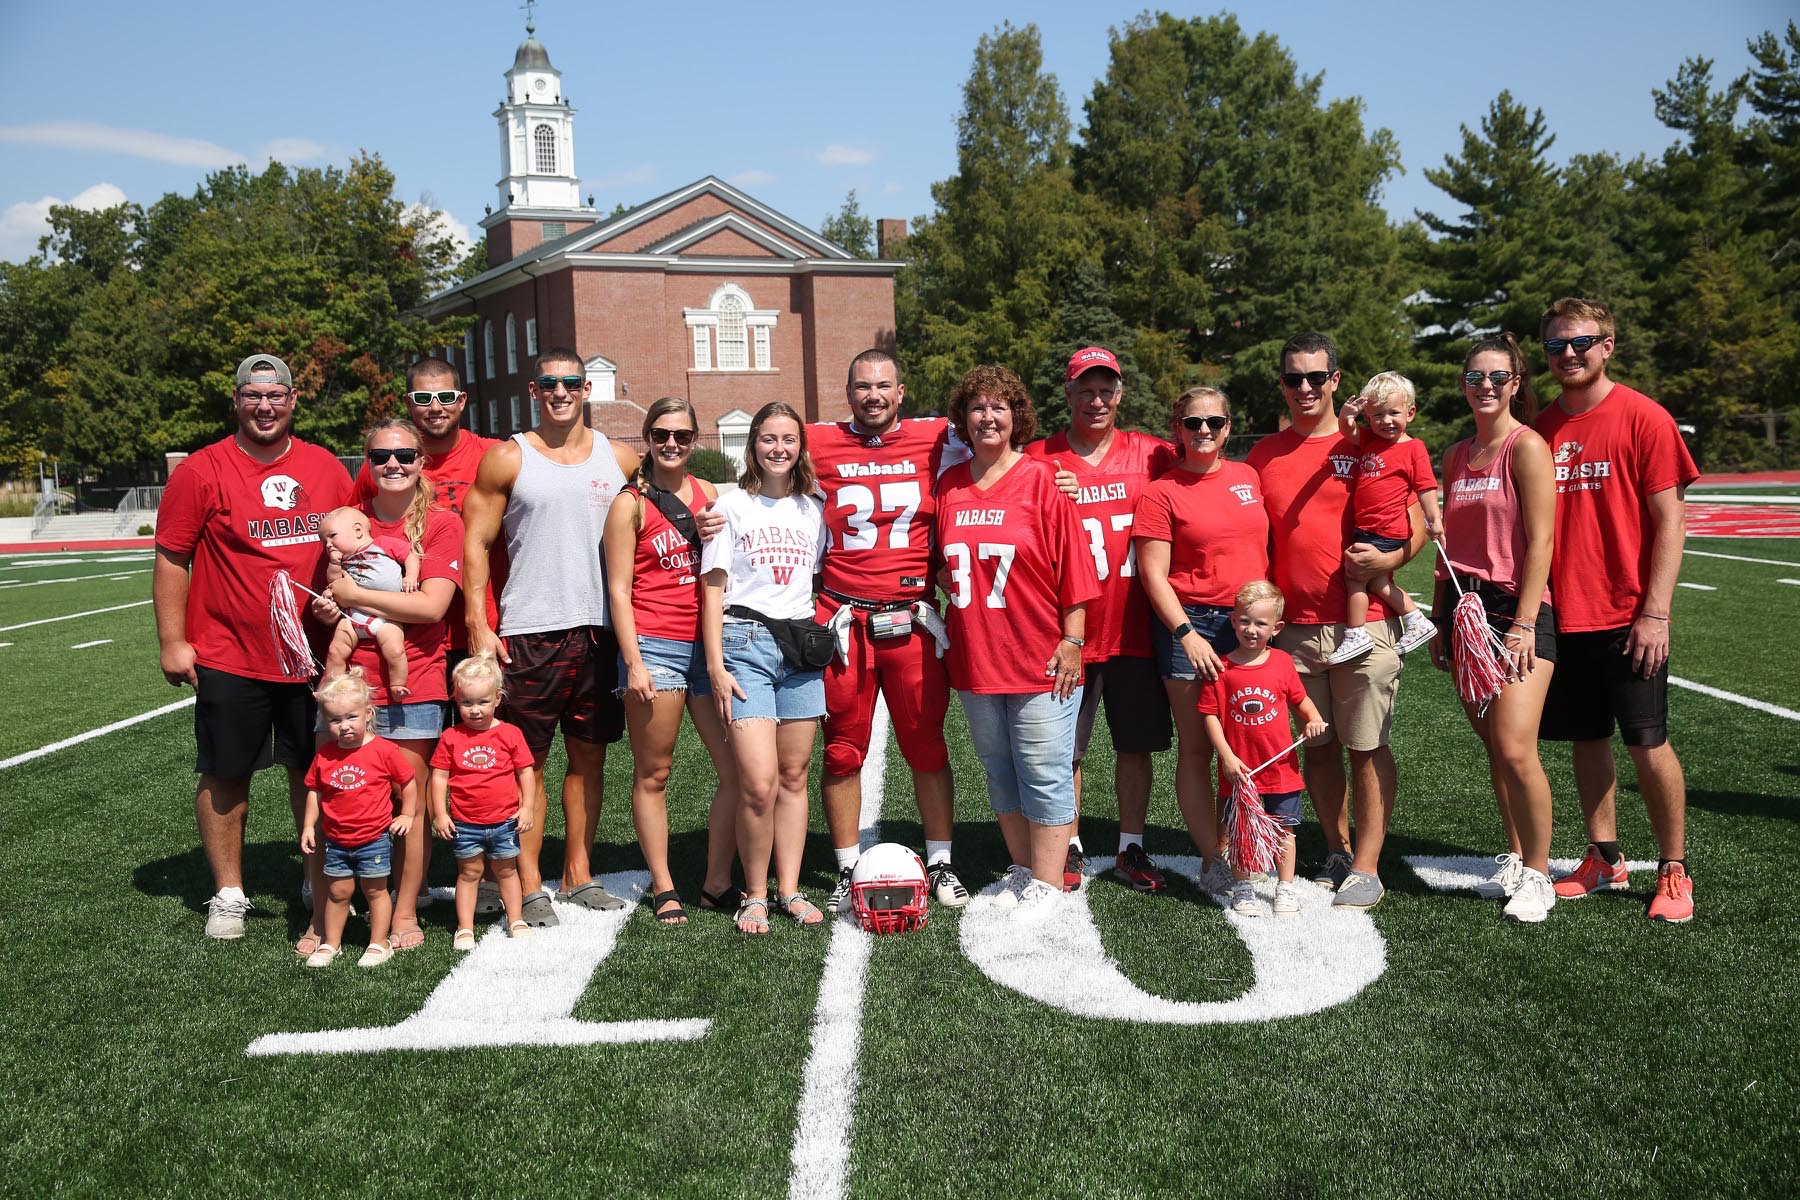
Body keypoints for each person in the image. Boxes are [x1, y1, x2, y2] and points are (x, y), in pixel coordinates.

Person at [153, 352, 353, 940]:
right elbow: (171, 557)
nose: (264, 406)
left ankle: (313, 875)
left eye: (276, 396)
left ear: (293, 401)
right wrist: (172, 640)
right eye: (252, 396)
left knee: (312, 768)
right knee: (226, 771)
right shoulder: (202, 470)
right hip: (229, 650)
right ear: (237, 401)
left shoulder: (324, 468)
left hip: (313, 651)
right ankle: (230, 893)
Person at [1534, 297, 1699, 923]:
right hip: (1560, 613)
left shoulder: (1644, 417)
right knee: (1586, 738)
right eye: (1555, 345)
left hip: (1629, 615)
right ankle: (1604, 856)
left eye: (1580, 342)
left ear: (1607, 344)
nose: (1568, 354)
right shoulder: (1540, 428)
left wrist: (1655, 612)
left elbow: (1671, 522)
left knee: (1648, 743)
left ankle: (1674, 869)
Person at [1247, 333, 1425, 910]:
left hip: (1364, 622)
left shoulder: (1372, 442)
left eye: (1315, 378)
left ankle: (1368, 865)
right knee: (1319, 747)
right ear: (1281, 384)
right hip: (1292, 630)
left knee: (1366, 746)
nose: (1305, 388)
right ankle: (1338, 849)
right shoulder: (1262, 455)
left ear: (1336, 380)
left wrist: (1395, 559)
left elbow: (1414, 518)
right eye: (1293, 378)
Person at [461, 347, 638, 926]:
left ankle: (578, 874)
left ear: (587, 389)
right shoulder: (509, 458)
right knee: (526, 765)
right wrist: (478, 624)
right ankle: (529, 881)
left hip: (601, 633)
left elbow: (679, 497)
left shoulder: (622, 458)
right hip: (531, 630)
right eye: (549, 384)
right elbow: (475, 544)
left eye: (571, 383)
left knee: (589, 760)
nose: (560, 393)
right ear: (534, 391)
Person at [934, 365, 1099, 926]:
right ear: (963, 419)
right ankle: (1027, 869)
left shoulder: (1042, 481)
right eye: (977, 407)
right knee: (999, 769)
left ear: (1016, 417)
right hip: (977, 655)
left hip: (1039, 655)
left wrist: (1073, 639)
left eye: (999, 407)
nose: (988, 416)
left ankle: (1050, 884)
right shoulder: (949, 486)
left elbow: (1075, 567)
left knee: (1044, 768)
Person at [808, 350, 965, 913]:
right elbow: (761, 460)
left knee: (925, 743)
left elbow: (1004, 444)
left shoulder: (937, 435)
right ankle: (849, 866)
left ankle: (942, 860)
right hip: (844, 617)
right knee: (843, 750)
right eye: (862, 387)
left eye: (883, 386)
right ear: (847, 393)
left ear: (901, 392)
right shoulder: (815, 440)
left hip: (911, 615)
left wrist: (1054, 470)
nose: (873, 395)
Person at [1022, 346, 1175, 893]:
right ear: (1067, 393)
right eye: (1085, 389)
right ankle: (1069, 843)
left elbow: (1209, 457)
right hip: (1071, 633)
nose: (1096, 399)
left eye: (1105, 388)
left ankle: (1131, 845)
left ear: (1120, 392)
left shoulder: (1154, 453)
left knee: (1133, 746)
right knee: (1068, 749)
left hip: (1137, 627)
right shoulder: (1039, 458)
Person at [309, 418, 464, 953]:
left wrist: (356, 598)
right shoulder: (344, 525)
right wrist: (333, 606)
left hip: (414, 682)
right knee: (337, 793)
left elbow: (431, 607)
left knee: (409, 805)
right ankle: (321, 914)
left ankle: (402, 911)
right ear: (366, 464)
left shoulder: (440, 525)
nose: (393, 464)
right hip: (346, 687)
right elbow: (331, 597)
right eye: (380, 456)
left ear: (422, 461)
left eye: (404, 455)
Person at [1431, 334, 1560, 923]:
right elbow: (1449, 547)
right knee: (1492, 746)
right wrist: (1440, 619)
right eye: (1474, 376)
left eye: (1496, 377)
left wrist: (1526, 622)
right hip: (1466, 612)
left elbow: (1542, 541)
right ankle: (1512, 853)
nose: (1484, 386)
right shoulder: (1457, 455)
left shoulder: (1526, 446)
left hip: (1515, 613)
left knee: (1515, 747)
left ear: (1515, 383)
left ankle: (1539, 873)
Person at [603, 397, 740, 924]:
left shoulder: (706, 493)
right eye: (661, 434)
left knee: (733, 770)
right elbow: (618, 590)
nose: (671, 444)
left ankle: (715, 881)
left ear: (694, 439)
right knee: (654, 772)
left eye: (682, 436)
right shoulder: (629, 503)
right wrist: (634, 663)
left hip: (706, 647)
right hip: (654, 646)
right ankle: (664, 885)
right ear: (648, 438)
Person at [701, 402, 830, 936]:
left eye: (789, 440)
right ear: (752, 445)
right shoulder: (729, 505)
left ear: (801, 447)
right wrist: (715, 665)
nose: (779, 449)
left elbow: (815, 581)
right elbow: (711, 590)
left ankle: (789, 889)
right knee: (758, 782)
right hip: (744, 643)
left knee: (795, 776)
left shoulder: (814, 509)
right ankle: (753, 894)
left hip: (800, 648)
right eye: (768, 439)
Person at [1135, 386, 1268, 889]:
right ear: (1178, 428)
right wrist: (1187, 633)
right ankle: (1214, 858)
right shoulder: (1161, 491)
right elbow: (1154, 575)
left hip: (1248, 625)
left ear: (1229, 425)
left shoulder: (1248, 477)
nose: (1205, 430)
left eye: (1215, 421)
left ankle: (1244, 843)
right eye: (1194, 423)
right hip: (1190, 625)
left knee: (1246, 742)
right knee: (1199, 748)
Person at [352, 356, 500, 682]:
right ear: (408, 403)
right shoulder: (385, 466)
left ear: (461, 400)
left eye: (446, 397)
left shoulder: (493, 456)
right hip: (408, 629)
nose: (435, 407)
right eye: (423, 398)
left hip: (481, 623)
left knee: (480, 729)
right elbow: (353, 530)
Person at [1198, 581, 1328, 918]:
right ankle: (1243, 888)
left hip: (1281, 770)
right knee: (1240, 832)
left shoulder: (1283, 662)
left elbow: (1300, 700)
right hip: (1240, 774)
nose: (1251, 630)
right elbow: (1210, 715)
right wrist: (1226, 756)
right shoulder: (1222, 668)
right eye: (1244, 621)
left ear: (1276, 628)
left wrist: (1313, 718)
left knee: (1285, 829)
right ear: (1233, 620)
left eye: (1260, 624)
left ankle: (1284, 888)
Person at [298, 669, 418, 967]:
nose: (345, 726)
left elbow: (408, 782)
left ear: (368, 714)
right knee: (338, 891)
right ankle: (331, 944)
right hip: (337, 840)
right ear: (326, 722)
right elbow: (314, 791)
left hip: (373, 838)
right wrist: (308, 827)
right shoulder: (325, 755)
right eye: (335, 720)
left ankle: (379, 943)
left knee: (375, 890)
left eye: (351, 717)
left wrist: (407, 814)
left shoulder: (384, 750)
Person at [1331, 372, 1441, 664]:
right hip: (1369, 528)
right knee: (1376, 582)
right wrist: (1346, 415)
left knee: (1354, 577)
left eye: (1394, 413)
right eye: (1377, 415)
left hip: (1385, 530)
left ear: (1411, 412)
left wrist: (1435, 519)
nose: (1386, 421)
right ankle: (1416, 619)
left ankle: (1356, 634)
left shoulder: (1413, 448)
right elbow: (1347, 430)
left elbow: (1426, 486)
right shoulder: (1369, 440)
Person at [430, 654, 538, 948]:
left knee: (506, 870)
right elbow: (438, 777)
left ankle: (515, 918)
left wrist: (527, 807)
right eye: (467, 703)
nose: (474, 710)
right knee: (469, 873)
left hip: (505, 821)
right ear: (455, 699)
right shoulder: (451, 736)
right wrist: (440, 814)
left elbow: (525, 773)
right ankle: (464, 927)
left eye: (482, 702)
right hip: (465, 823)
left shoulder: (510, 733)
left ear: (497, 699)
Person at [318, 506, 419, 698]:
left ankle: (397, 685)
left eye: (332, 536)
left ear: (357, 531)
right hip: (353, 615)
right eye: (324, 541)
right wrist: (334, 563)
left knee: (395, 651)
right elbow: (334, 580)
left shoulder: (382, 544)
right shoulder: (342, 561)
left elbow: (410, 555)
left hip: (387, 616)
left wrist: (411, 576)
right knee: (335, 650)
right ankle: (330, 689)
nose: (328, 544)